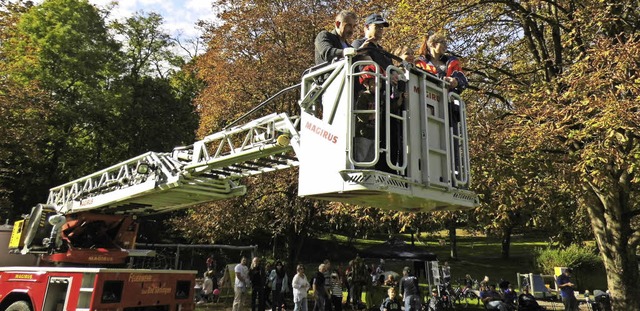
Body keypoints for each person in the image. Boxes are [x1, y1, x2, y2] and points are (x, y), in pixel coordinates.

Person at [354, 65, 379, 163]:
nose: (377, 85)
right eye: (374, 83)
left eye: (379, 82)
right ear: (366, 84)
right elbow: (359, 113)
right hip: (363, 133)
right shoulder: (364, 96)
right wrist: (370, 116)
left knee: (371, 160)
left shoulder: (380, 98)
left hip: (374, 134)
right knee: (361, 159)